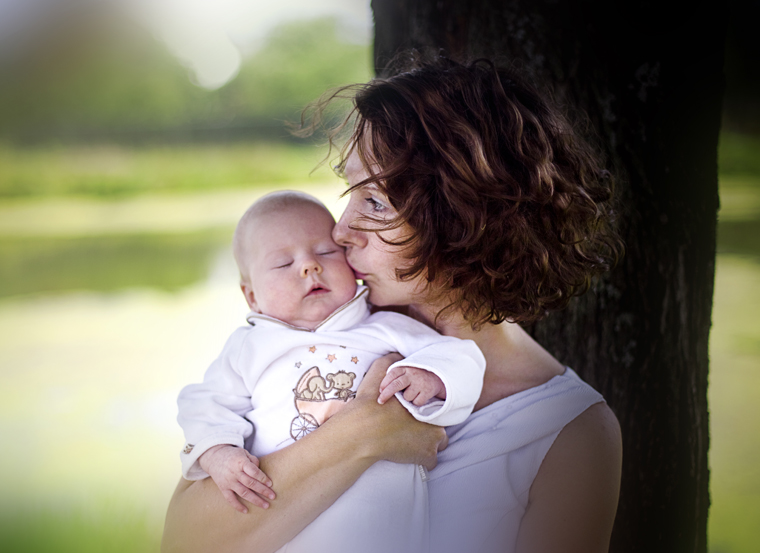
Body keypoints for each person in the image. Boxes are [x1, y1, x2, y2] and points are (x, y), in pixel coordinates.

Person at [162, 56, 623, 553]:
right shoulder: (322, 332)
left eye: (375, 203)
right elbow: (183, 541)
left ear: (464, 220)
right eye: (349, 194)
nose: (341, 231)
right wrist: (362, 432)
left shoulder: (569, 432)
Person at [175, 190, 485, 552]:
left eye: (325, 252)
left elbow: (461, 357)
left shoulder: (384, 328)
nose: (309, 266)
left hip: (383, 527)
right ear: (252, 296)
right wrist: (218, 452)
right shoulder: (248, 348)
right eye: (283, 263)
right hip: (286, 520)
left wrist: (432, 376)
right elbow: (205, 404)